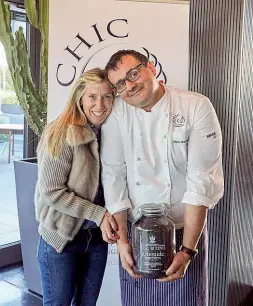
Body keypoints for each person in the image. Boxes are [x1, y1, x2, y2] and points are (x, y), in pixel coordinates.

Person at [100, 50, 224, 306]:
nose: (130, 85)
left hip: (184, 230)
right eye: (120, 84)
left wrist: (188, 250)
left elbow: (200, 181)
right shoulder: (117, 115)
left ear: (151, 68)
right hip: (136, 232)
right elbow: (114, 176)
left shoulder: (195, 106)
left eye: (133, 73)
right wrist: (123, 242)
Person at [35, 68, 119, 306]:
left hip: (96, 240)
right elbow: (51, 192)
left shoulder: (112, 133)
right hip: (61, 239)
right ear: (80, 97)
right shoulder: (61, 132)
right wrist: (98, 213)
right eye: (93, 96)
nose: (100, 105)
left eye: (107, 97)